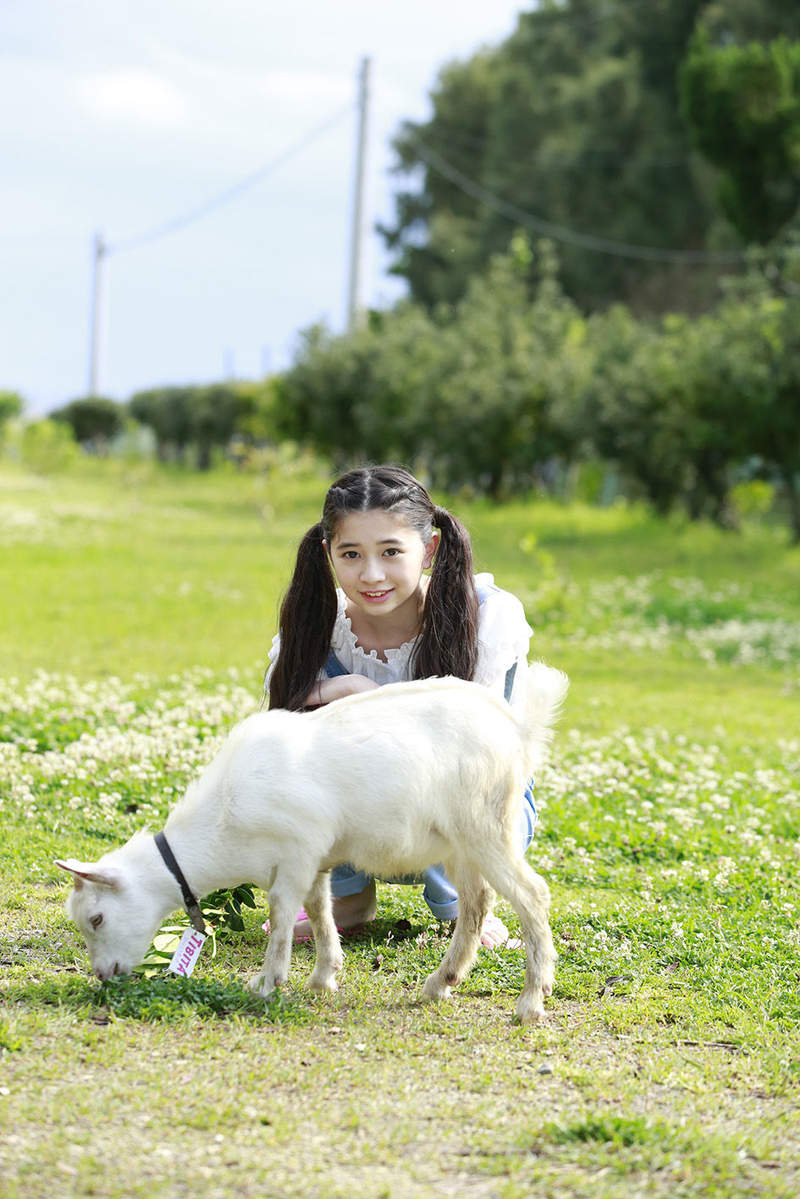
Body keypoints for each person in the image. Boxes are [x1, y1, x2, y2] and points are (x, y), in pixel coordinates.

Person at [264, 464, 536, 948]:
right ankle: (347, 898)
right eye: (351, 554)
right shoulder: (318, 623)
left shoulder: (489, 615)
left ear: (428, 549)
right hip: (363, 801)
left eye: (391, 552)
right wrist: (342, 689)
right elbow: (279, 721)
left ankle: (465, 905)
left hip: (473, 800)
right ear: (329, 555)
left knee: (443, 780)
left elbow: (486, 755)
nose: (371, 575)